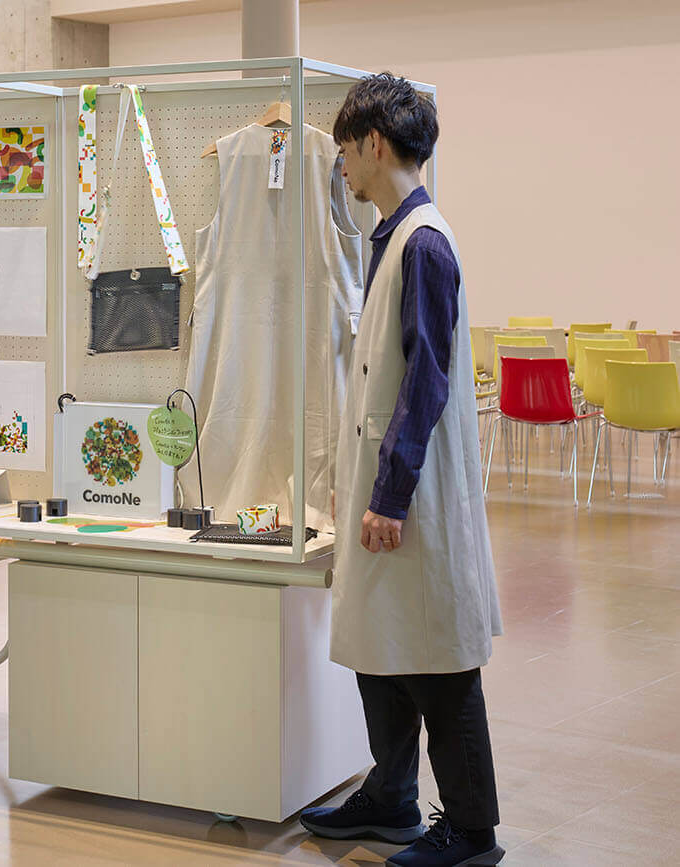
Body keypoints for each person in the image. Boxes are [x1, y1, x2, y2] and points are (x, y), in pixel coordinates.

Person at [298, 74, 505, 867]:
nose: (343, 170)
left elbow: (426, 380)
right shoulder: (394, 236)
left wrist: (389, 492)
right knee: (382, 647)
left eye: (347, 153)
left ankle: (472, 831)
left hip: (415, 499)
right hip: (391, 490)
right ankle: (391, 797)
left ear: (373, 144)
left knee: (437, 662)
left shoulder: (424, 243)